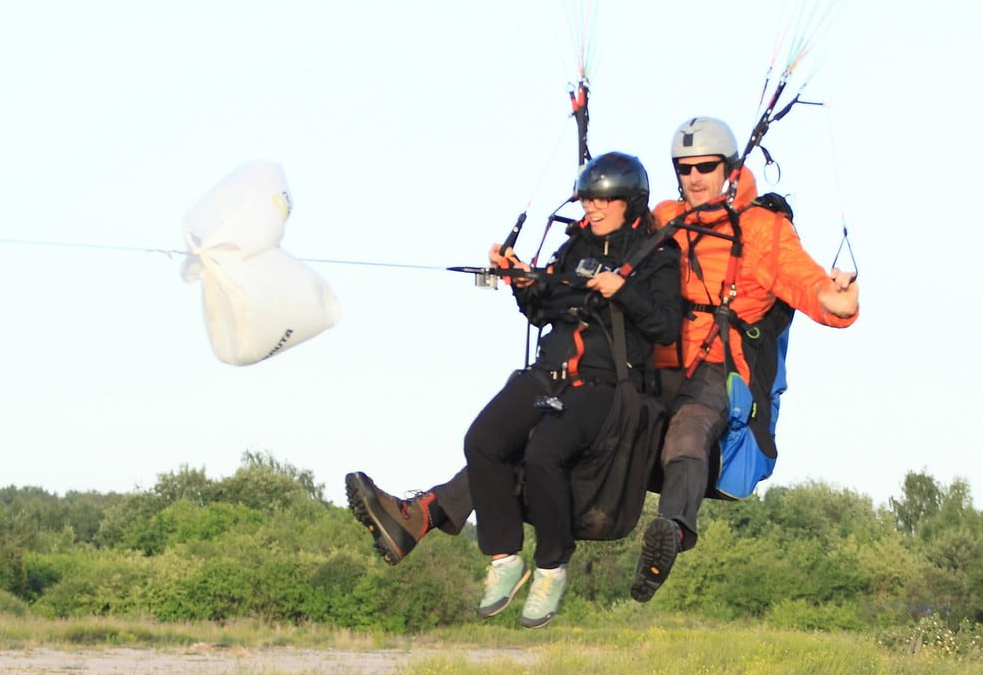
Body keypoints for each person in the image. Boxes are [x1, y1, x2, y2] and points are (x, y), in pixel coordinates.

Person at [345, 152, 681, 627]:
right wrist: (521, 279)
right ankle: (504, 557)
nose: (592, 207)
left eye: (604, 200)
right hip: (549, 371)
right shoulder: (575, 247)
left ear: (630, 202)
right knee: (483, 440)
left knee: (544, 451)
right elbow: (544, 309)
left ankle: (551, 568)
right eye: (587, 199)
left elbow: (666, 326)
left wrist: (622, 290)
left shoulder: (657, 255)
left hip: (607, 383)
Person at [631, 115, 859, 601]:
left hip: (719, 365)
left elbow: (805, 282)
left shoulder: (762, 229)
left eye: (705, 167)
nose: (694, 178)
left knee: (689, 429)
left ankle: (671, 530)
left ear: (729, 168)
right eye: (684, 168)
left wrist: (837, 299)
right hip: (658, 361)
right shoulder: (664, 218)